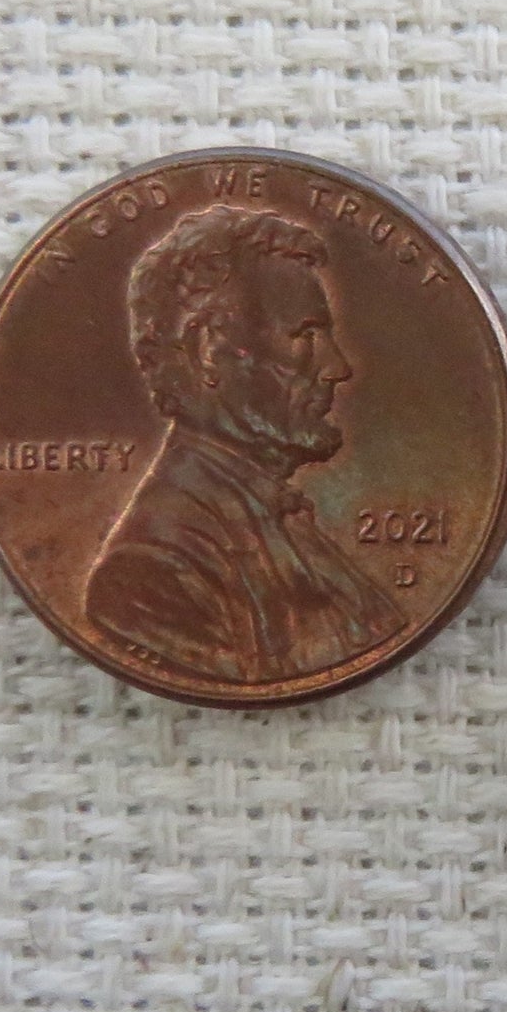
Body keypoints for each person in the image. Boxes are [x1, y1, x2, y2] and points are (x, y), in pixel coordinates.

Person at [87, 206, 403, 681]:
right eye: (306, 336)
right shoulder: (152, 572)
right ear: (207, 351)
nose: (337, 368)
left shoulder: (273, 518)